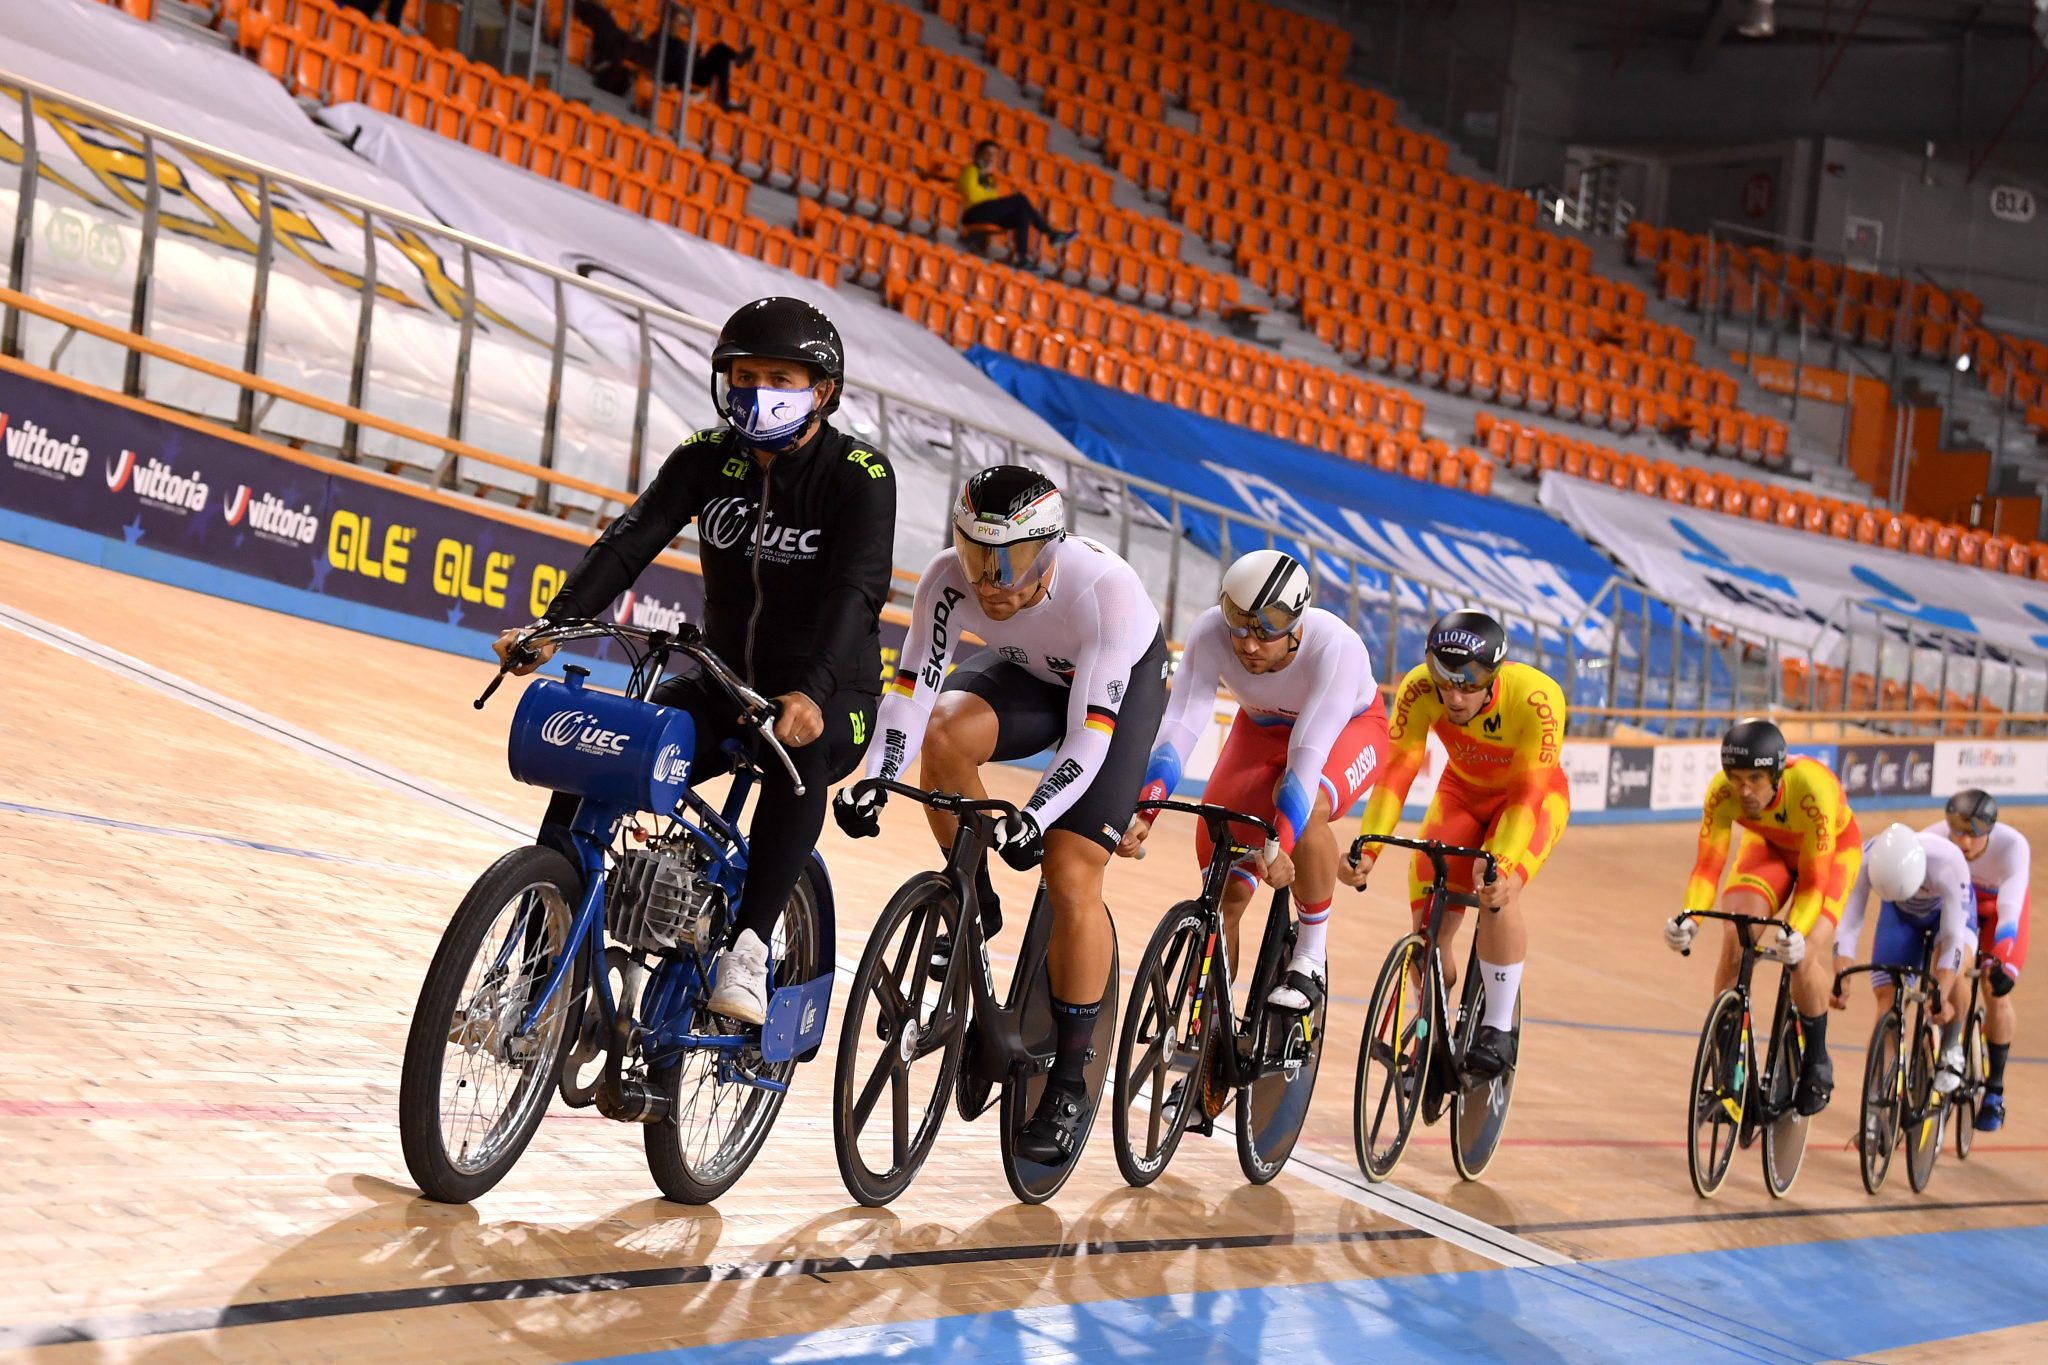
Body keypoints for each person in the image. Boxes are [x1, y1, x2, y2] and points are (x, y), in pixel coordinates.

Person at [494, 297, 895, 1027]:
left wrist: (812, 688)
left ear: (822, 390)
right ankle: (541, 969)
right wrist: (553, 623)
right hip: (725, 679)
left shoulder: (859, 475)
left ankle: (749, 944)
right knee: (602, 757)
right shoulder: (707, 458)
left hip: (833, 690)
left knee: (792, 755)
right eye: (744, 374)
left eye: (780, 375)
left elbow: (857, 592)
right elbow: (632, 537)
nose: (757, 388)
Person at [835, 465, 1168, 1168]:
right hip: (1034, 673)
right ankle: (974, 903)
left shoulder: (1101, 593)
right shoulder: (946, 580)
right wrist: (876, 779)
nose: (989, 580)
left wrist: (1038, 815)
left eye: (1009, 561)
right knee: (945, 735)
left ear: (1049, 551)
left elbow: (1090, 735)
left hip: (1114, 689)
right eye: (976, 554)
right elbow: (911, 696)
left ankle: (1071, 1081)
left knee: (1071, 869)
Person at [1120, 549, 1388, 1014]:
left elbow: (1308, 754)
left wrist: (1279, 843)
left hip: (1347, 730)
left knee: (1308, 811)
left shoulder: (1336, 647)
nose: (1247, 644)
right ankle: (1206, 1032)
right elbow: (1180, 724)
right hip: (1261, 730)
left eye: (1266, 631)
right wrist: (1147, 809)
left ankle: (1309, 957)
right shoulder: (1210, 632)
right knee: (1225, 891)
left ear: (1297, 624)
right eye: (1239, 624)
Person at [1338, 610, 1572, 1080]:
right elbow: (1396, 773)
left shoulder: (1538, 699)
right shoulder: (1419, 688)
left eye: (1467, 687)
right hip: (1460, 793)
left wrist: (1502, 866)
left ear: (1494, 678)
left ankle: (1498, 1027)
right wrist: (1369, 851)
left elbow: (1527, 798)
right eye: (1445, 684)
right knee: (1429, 920)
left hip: (1529, 800)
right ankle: (1432, 1024)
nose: (1454, 697)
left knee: (1496, 896)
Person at [1664, 719, 1861, 1117]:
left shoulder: (1812, 789)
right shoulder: (1722, 795)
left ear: (1776, 774)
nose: (1744, 790)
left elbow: (1815, 882)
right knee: (1736, 937)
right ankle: (1727, 1072)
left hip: (1831, 855)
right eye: (1735, 778)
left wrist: (1799, 932)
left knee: (1803, 956)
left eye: (1755, 778)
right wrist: (1689, 920)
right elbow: (1707, 868)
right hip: (1769, 849)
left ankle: (1818, 1057)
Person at [1830, 824, 1974, 1102]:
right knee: (1887, 998)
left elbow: (1954, 939)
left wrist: (1940, 993)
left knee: (1952, 978)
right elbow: (1848, 923)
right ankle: (1877, 1098)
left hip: (1947, 915)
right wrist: (1842, 974)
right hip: (1900, 917)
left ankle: (1950, 1046)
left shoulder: (1949, 863)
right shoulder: (1868, 858)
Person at [1926, 788, 2030, 1130]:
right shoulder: (1934, 838)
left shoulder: (2012, 847)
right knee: (1950, 964)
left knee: (1994, 988)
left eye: (1973, 835)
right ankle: (1950, 1048)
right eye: (1957, 832)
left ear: (1990, 832)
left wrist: (2000, 957)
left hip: (1998, 914)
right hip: (1961, 909)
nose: (1964, 843)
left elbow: (2010, 909)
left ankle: (1995, 1090)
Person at [957, 139, 1076, 271]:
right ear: (979, 154)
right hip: (973, 213)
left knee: (1023, 215)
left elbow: (991, 198)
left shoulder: (989, 178)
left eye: (994, 155)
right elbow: (972, 196)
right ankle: (1050, 233)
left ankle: (1022, 259)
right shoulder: (970, 170)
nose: (991, 158)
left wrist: (987, 195)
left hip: (986, 212)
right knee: (1019, 199)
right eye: (988, 153)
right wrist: (987, 196)